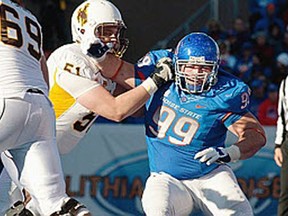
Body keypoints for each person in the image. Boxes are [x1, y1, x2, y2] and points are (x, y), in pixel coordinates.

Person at [0, 0, 173, 214]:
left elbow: (134, 108)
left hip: (30, 135)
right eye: (106, 31)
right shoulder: (70, 57)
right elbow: (116, 110)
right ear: (85, 29)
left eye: (116, 32)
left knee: (37, 207)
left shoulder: (101, 64)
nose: (113, 38)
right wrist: (154, 81)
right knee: (31, 204)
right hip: (28, 140)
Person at [99, 32, 266, 215]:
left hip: (210, 174)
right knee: (157, 208)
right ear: (177, 64)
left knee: (240, 212)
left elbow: (254, 134)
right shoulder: (160, 73)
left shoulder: (225, 93)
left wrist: (229, 152)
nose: (196, 73)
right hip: (167, 178)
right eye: (190, 66)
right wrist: (91, 55)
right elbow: (116, 70)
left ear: (216, 68)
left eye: (204, 68)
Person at [0, 0, 92, 215]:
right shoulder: (30, 19)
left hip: (6, 100)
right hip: (40, 110)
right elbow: (42, 71)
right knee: (55, 201)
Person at [274, 71, 288, 216]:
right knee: (286, 192)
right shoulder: (286, 83)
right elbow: (282, 116)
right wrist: (278, 145)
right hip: (287, 141)